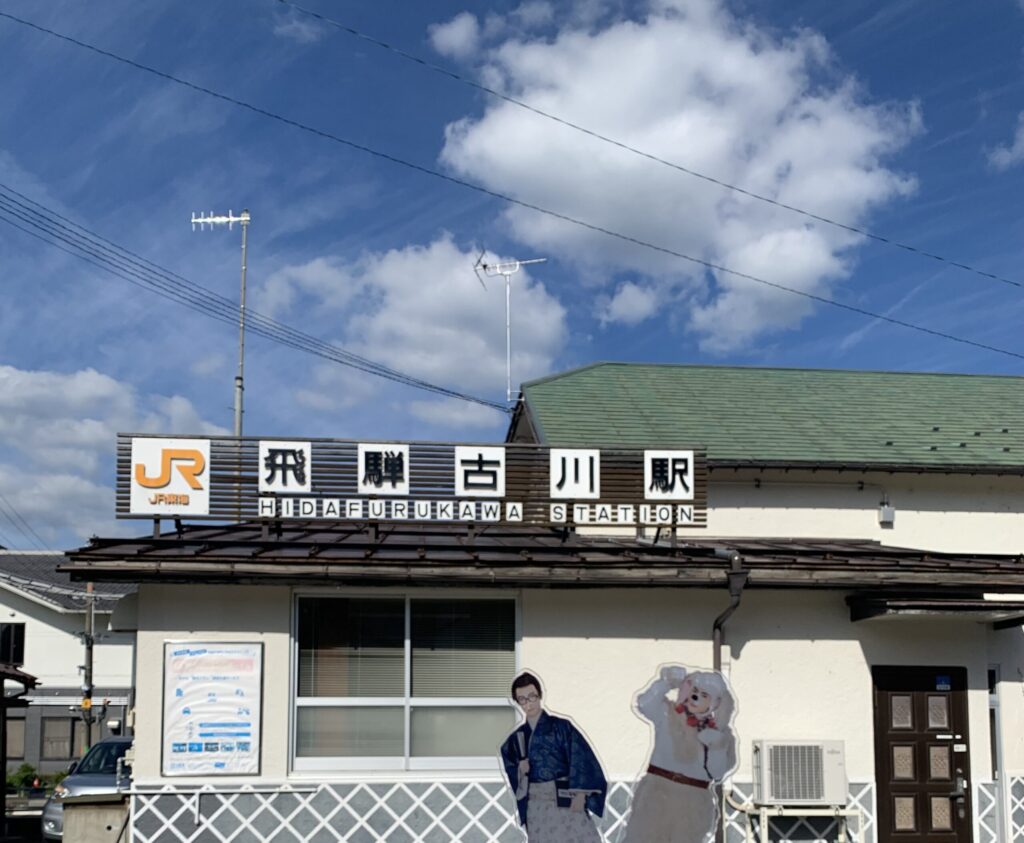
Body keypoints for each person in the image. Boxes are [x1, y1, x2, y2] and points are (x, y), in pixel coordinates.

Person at [621, 665, 737, 843]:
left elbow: (717, 773)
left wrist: (716, 747)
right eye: (694, 691)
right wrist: (665, 683)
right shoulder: (668, 713)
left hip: (693, 801)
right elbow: (644, 704)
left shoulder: (720, 734)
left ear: (714, 703)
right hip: (657, 792)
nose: (695, 697)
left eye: (704, 695)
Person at [499, 671, 608, 843]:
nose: (529, 703)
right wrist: (521, 770)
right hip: (537, 804)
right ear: (518, 703)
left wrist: (580, 796)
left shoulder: (562, 727)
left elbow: (582, 758)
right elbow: (513, 771)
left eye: (532, 696)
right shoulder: (514, 741)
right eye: (523, 700)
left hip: (568, 799)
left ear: (540, 695)